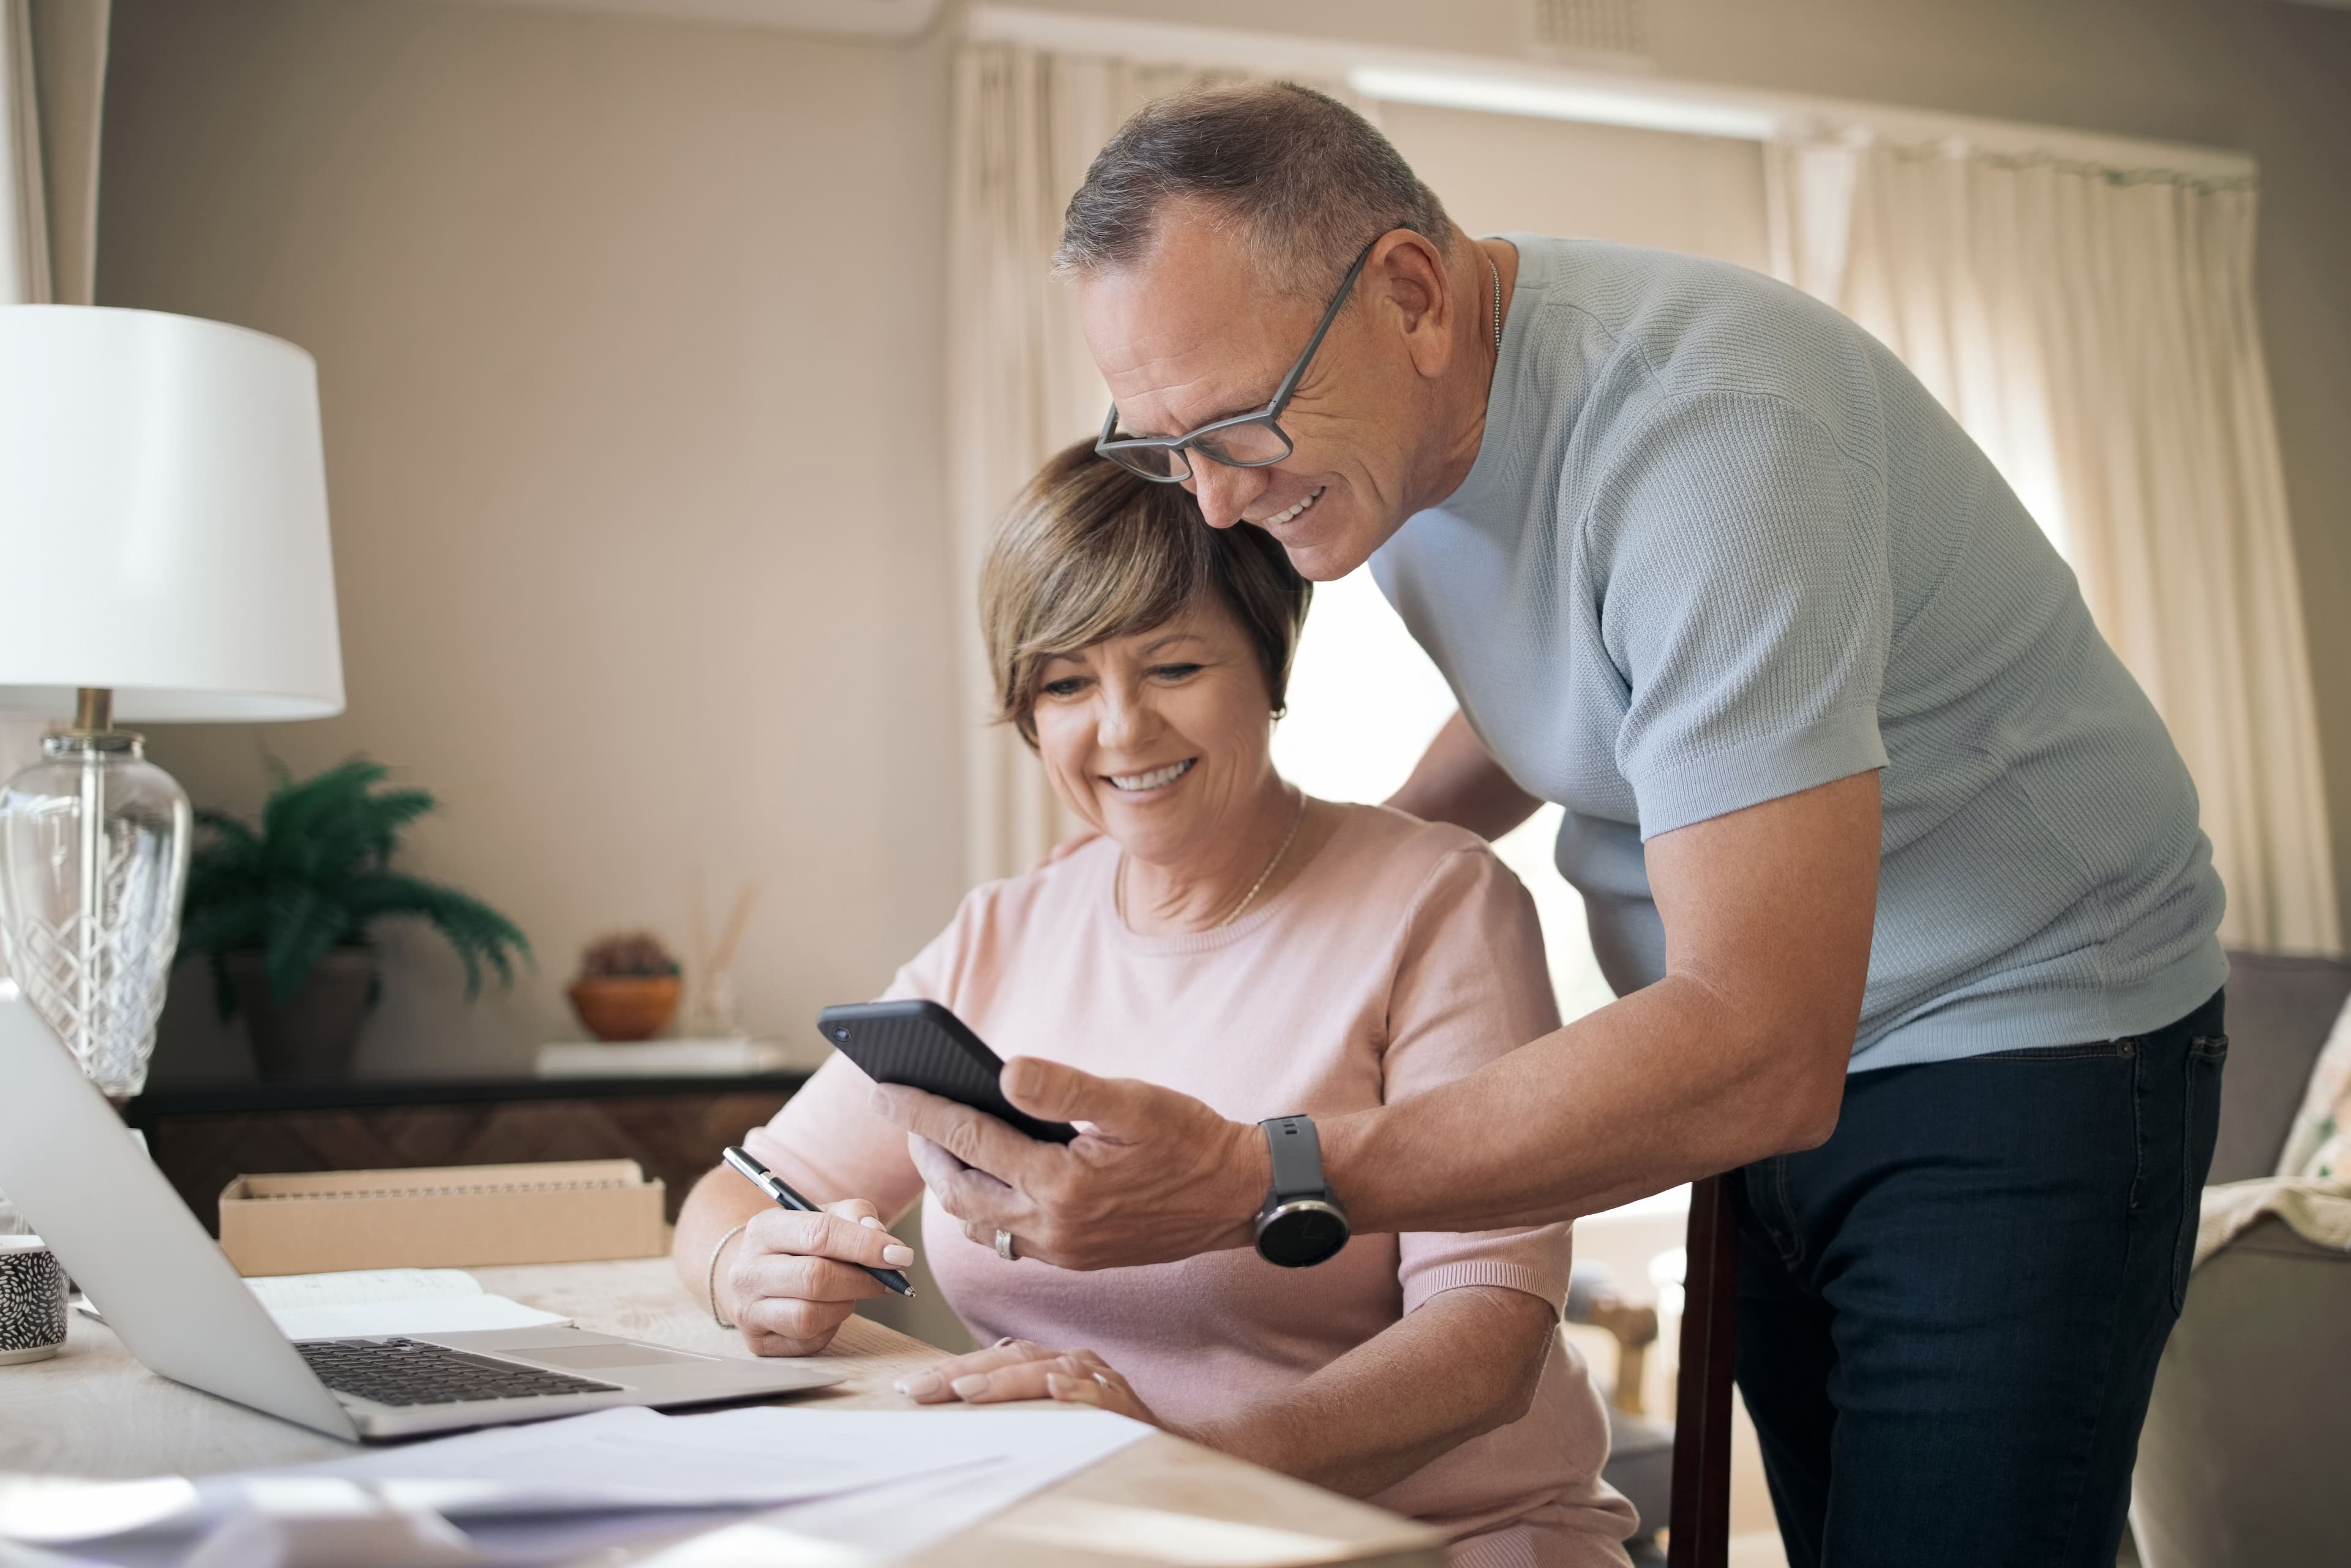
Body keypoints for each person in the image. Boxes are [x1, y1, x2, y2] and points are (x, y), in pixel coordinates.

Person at [872, 84, 2229, 1568]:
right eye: (1161, 444)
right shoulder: (1373, 446)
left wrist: (1263, 1175)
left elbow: (1762, 1038)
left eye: (1239, 425)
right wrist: (1302, 890)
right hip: (1764, 1051)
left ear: (1410, 294)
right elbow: (1602, 691)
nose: (1211, 498)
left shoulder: (1710, 443)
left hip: (2019, 1027)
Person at [672, 442, 1638, 1567]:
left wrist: (1178, 1458)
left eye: (1173, 667)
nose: (1121, 731)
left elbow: (1486, 1342)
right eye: (1068, 684)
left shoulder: (1437, 903)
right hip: (1099, 1531)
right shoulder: (1007, 928)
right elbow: (732, 1201)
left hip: (1424, 1538)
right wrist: (749, 1272)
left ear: (1268, 666)